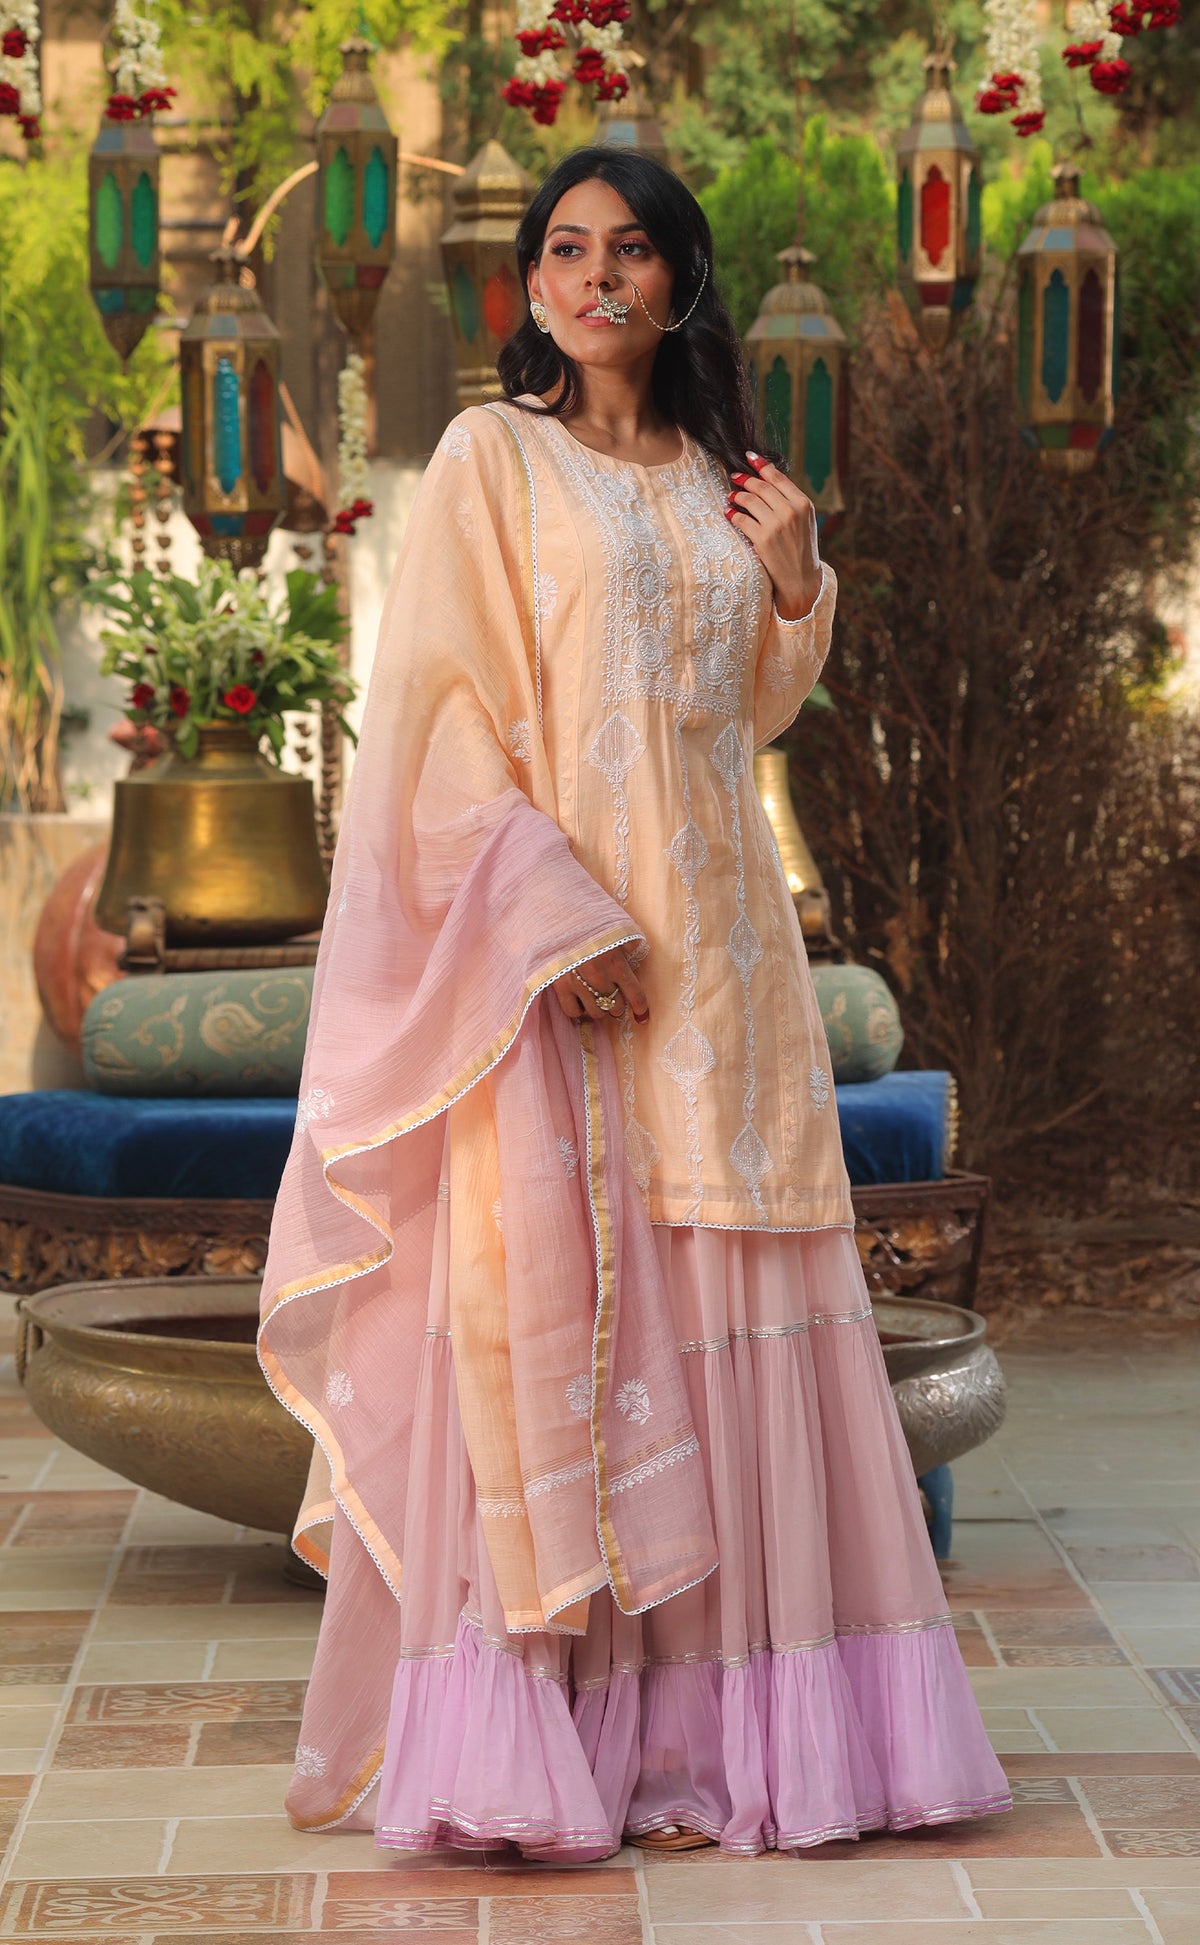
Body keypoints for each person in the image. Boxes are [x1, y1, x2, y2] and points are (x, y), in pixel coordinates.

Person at [258, 144, 1010, 1860]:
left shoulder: (724, 478)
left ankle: (745, 1746)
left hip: (729, 963)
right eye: (568, 249)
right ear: (533, 284)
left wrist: (800, 580)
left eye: (633, 250)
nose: (599, 276)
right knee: (579, 1316)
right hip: (565, 970)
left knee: (736, 1295)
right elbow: (438, 722)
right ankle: (560, 1742)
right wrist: (549, 915)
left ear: (681, 279)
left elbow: (743, 713)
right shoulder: (493, 458)